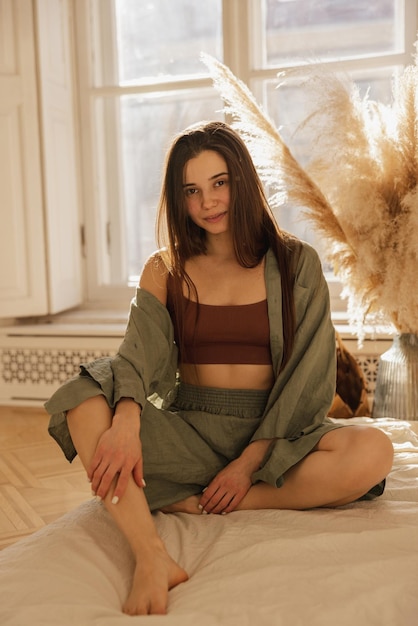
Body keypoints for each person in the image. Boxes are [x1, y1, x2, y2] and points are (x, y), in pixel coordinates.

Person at [45, 121, 394, 616]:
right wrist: (126, 419)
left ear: (242, 180)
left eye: (219, 182)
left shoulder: (297, 263)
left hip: (274, 434)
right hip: (189, 427)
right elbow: (135, 357)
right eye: (192, 190)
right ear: (178, 197)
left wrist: (247, 466)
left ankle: (197, 499)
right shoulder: (165, 268)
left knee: (373, 450)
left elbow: (307, 383)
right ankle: (151, 555)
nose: (208, 201)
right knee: (82, 399)